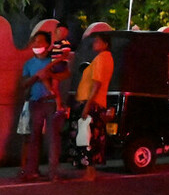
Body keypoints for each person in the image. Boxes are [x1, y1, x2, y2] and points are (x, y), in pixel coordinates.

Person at [19, 31, 69, 181]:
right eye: (34, 42)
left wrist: (50, 75)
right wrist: (36, 77)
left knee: (52, 138)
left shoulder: (53, 61)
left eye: (39, 42)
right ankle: (32, 170)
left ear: (47, 45)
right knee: (34, 138)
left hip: (51, 102)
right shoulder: (29, 64)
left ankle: (53, 172)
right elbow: (24, 84)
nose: (36, 45)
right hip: (35, 102)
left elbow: (65, 74)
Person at [73, 33, 114, 179]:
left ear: (105, 44)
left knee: (87, 138)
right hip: (97, 103)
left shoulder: (101, 59)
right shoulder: (107, 59)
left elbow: (97, 84)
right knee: (90, 138)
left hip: (92, 104)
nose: (94, 44)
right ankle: (90, 171)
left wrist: (87, 105)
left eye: (97, 41)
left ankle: (90, 172)